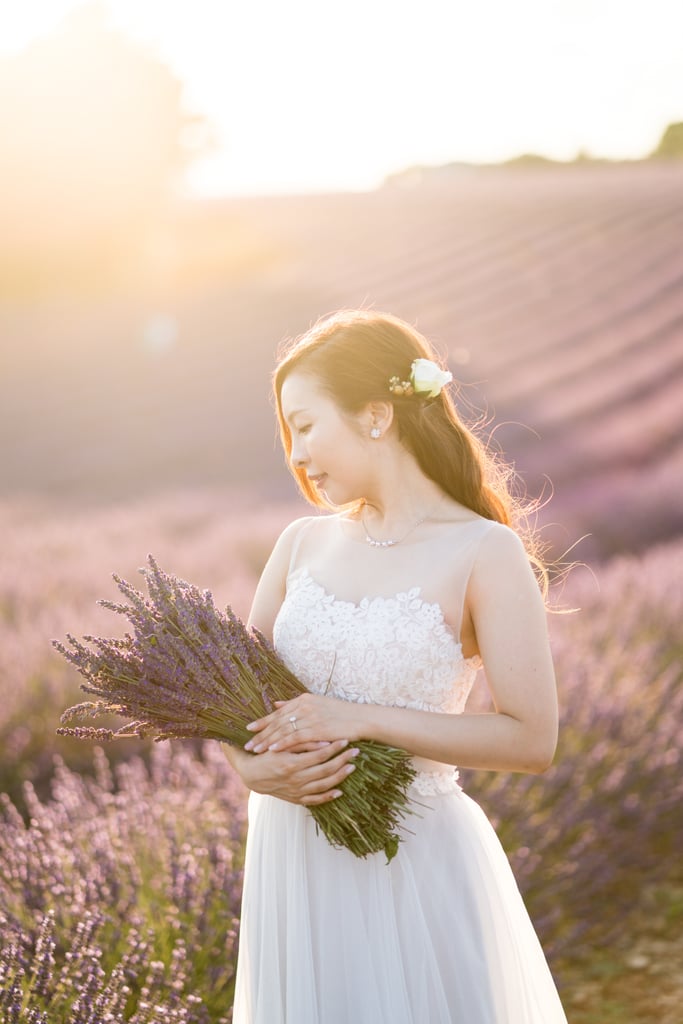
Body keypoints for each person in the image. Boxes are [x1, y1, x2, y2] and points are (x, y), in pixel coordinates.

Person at [226, 309, 568, 1023]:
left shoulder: (483, 551)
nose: (294, 454)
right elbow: (232, 703)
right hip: (292, 856)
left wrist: (359, 719)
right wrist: (249, 770)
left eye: (307, 425)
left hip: (407, 858)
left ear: (377, 415)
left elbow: (531, 740)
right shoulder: (299, 544)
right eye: (287, 434)